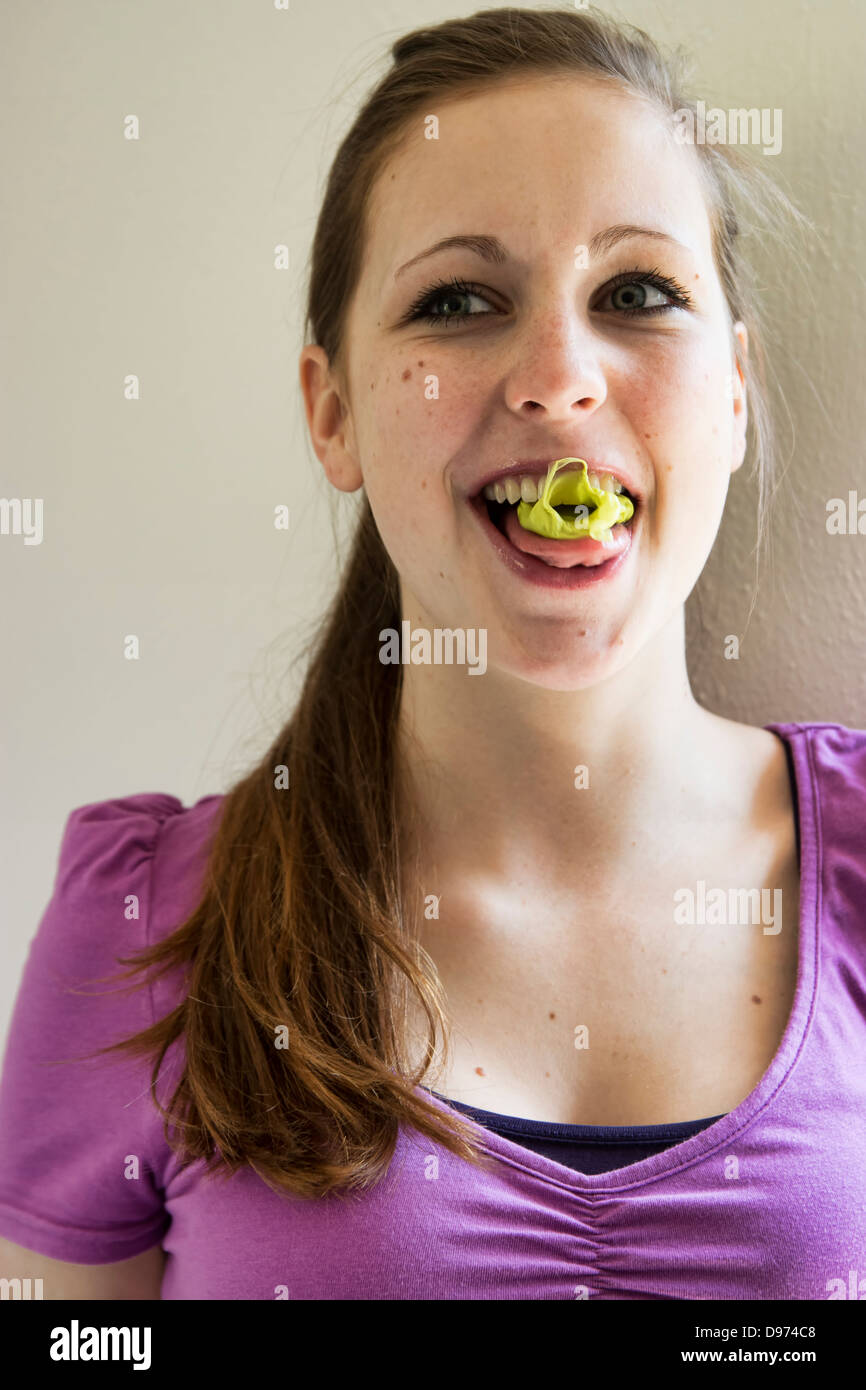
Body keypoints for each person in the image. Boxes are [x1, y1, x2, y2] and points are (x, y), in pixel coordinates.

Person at [1, 6, 864, 1302]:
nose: (558, 376)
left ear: (732, 394)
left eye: (637, 292)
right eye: (457, 301)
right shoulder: (138, 927)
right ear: (332, 414)